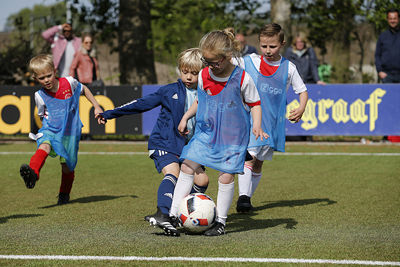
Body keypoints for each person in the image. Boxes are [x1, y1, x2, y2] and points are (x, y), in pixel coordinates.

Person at [152, 29, 268, 237]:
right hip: (206, 133)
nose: (209, 65)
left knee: (225, 177)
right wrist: (186, 116)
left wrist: (257, 125)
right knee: (187, 165)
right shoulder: (204, 74)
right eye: (206, 60)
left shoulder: (242, 78)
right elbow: (200, 100)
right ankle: (172, 214)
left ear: (226, 57)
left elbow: (255, 103)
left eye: (213, 61)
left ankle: (221, 222)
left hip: (232, 138)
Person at [95, 48, 209, 236]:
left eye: (194, 73)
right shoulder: (169, 91)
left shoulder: (207, 94)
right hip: (164, 142)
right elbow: (140, 103)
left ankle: (182, 213)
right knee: (173, 173)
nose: (188, 77)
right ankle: (163, 213)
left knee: (202, 179)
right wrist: (109, 114)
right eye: (185, 72)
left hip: (189, 146)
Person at [233, 23, 309, 212]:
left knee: (258, 163)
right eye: (264, 46)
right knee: (248, 157)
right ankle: (243, 198)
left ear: (282, 43)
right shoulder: (248, 61)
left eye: (272, 46)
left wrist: (301, 108)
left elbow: (303, 91)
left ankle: (247, 198)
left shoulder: (288, 67)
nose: (267, 50)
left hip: (272, 122)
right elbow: (227, 63)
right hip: (249, 119)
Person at [19, 54, 103, 205]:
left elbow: (84, 89)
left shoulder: (70, 83)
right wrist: (45, 131)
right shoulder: (39, 95)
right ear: (35, 78)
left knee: (67, 166)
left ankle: (64, 194)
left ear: (55, 71)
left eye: (48, 75)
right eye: (41, 78)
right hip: (50, 129)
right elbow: (42, 115)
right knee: (44, 145)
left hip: (69, 133)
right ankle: (33, 173)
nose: (46, 80)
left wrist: (96, 106)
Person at [375, 9, 400, 83]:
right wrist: (379, 71)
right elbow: (377, 55)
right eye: (390, 19)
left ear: (398, 19)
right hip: (387, 76)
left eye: (395, 18)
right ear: (387, 19)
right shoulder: (382, 36)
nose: (393, 21)